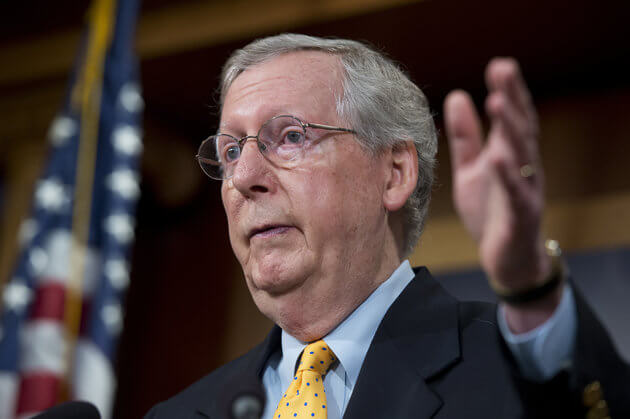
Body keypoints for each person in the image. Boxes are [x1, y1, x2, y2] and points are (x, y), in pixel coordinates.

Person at [146, 34, 629, 418]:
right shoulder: (183, 413)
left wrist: (531, 288)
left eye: (290, 137)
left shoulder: (512, 370)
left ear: (394, 173)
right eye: (231, 151)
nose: (245, 178)